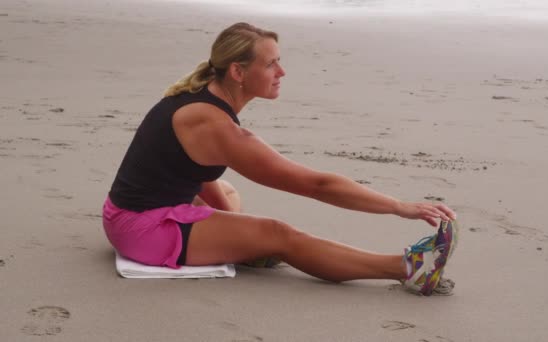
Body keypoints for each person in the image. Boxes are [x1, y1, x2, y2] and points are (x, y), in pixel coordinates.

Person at [102, 22, 458, 296]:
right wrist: (399, 206)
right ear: (239, 72)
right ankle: (408, 269)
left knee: (228, 193)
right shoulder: (216, 125)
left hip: (130, 212)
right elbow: (317, 185)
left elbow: (195, 171)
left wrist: (232, 231)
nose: (281, 72)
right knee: (278, 233)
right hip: (141, 229)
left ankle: (242, 248)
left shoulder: (204, 97)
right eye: (271, 64)